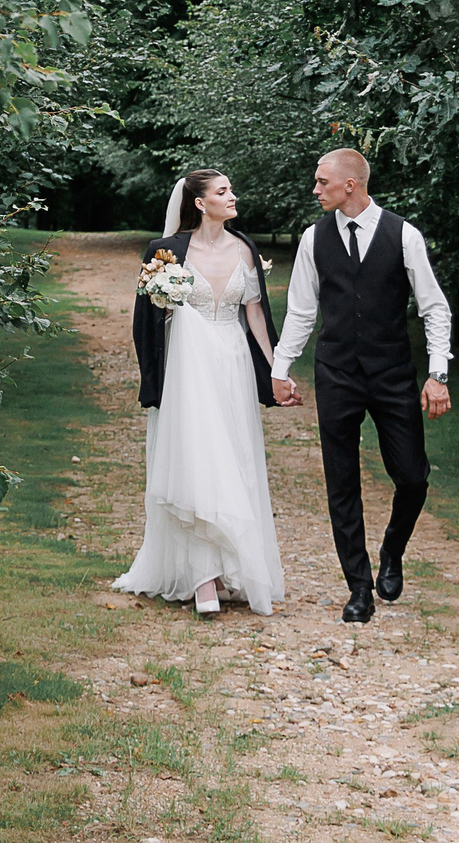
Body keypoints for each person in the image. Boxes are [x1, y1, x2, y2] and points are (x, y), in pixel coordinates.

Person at [268, 147, 454, 624]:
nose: (315, 190)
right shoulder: (314, 238)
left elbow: (434, 307)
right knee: (342, 483)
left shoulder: (403, 235)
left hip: (393, 374)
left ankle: (393, 552)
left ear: (350, 185)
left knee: (412, 476)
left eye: (322, 182)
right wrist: (280, 368)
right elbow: (303, 310)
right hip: (336, 375)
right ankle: (359, 587)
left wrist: (438, 374)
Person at [113, 169, 285, 616]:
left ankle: (234, 568)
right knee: (197, 461)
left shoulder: (244, 248)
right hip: (189, 369)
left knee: (234, 459)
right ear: (200, 203)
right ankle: (202, 577)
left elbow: (256, 316)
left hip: (231, 363)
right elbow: (145, 324)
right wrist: (156, 374)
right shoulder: (165, 253)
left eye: (232, 189)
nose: (233, 197)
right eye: (223, 191)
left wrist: (276, 369)